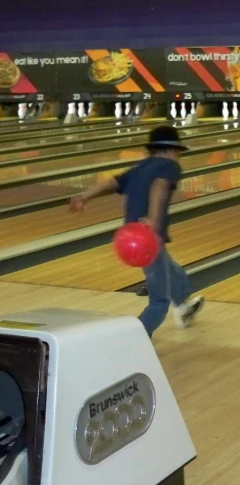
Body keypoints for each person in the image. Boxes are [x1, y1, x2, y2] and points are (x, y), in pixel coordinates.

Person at [69, 125, 204, 337]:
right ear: (171, 150)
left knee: (170, 267)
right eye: (178, 152)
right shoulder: (169, 166)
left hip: (129, 236)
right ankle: (136, 337)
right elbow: (159, 188)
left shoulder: (142, 166)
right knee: (159, 299)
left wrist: (83, 196)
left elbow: (110, 182)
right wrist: (153, 218)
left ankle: (184, 305)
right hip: (147, 238)